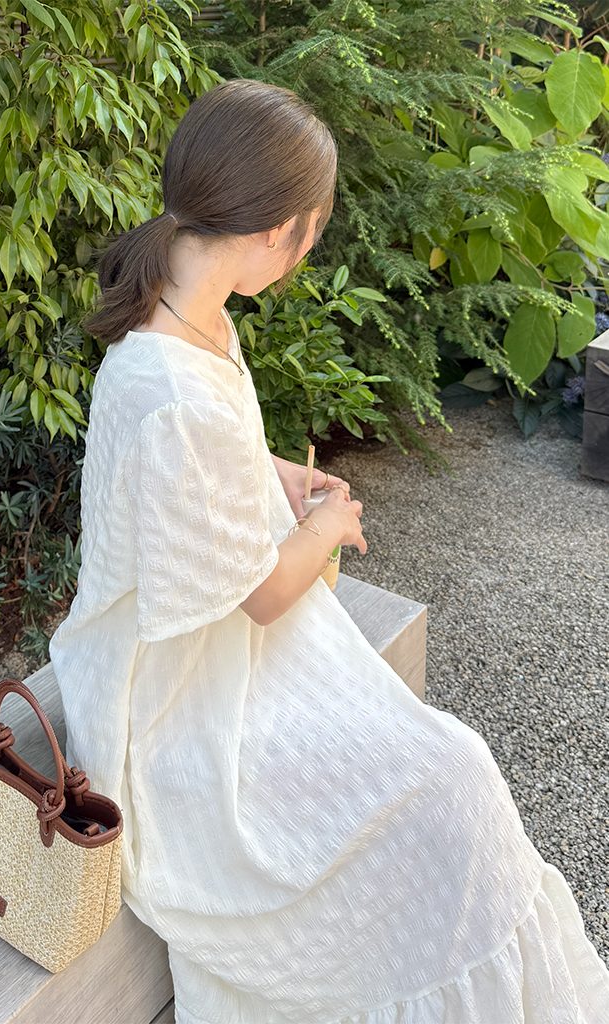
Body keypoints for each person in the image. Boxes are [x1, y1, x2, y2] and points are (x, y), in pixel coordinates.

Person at [49, 79, 609, 1024]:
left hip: (209, 657)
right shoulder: (171, 378)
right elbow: (265, 594)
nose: (311, 247)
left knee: (451, 772)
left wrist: (272, 473)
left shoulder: (189, 311)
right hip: (175, 707)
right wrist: (327, 526)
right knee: (447, 784)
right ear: (279, 231)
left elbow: (200, 458)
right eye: (313, 229)